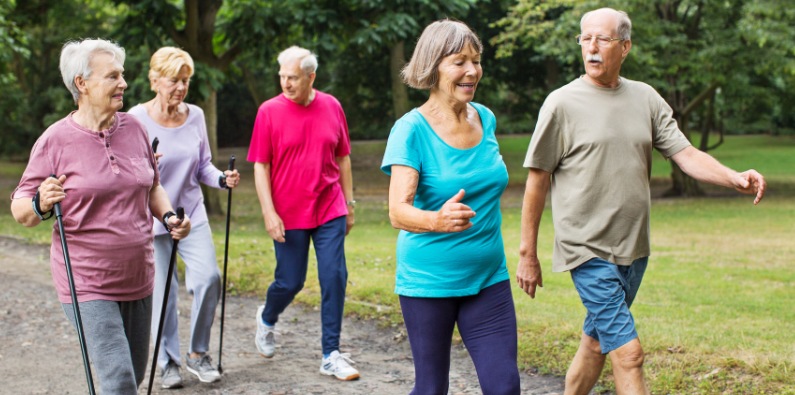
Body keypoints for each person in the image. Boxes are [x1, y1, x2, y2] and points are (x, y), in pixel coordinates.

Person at [517, 8, 767, 395]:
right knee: (629, 353)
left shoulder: (645, 97)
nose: (592, 47)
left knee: (598, 341)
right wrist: (527, 254)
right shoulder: (561, 104)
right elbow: (537, 180)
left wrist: (733, 177)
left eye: (603, 39)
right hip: (586, 250)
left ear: (625, 46)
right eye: (586, 39)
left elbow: (685, 153)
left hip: (634, 250)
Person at [9, 38, 191, 395]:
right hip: (86, 282)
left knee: (133, 375)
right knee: (118, 379)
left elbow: (153, 186)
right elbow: (20, 208)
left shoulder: (135, 128)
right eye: (112, 76)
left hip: (139, 275)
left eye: (122, 75)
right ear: (82, 83)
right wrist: (40, 203)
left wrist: (169, 217)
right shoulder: (55, 141)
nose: (123, 83)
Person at [381, 20, 520, 395]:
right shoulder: (411, 130)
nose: (472, 71)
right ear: (433, 66)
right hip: (429, 283)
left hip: (489, 278)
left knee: (505, 387)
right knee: (430, 389)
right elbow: (397, 211)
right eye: (460, 61)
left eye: (476, 61)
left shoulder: (485, 117)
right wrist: (436, 219)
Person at [128, 46, 240, 389]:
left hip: (191, 214)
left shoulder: (196, 116)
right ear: (155, 80)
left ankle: (197, 353)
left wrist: (221, 178)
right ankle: (168, 362)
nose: (181, 87)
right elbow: (126, 172)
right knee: (163, 295)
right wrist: (145, 165)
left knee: (209, 278)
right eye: (175, 80)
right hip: (153, 220)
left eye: (186, 80)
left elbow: (203, 164)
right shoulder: (135, 119)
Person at [247, 45, 359, 381]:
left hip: (329, 206)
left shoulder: (332, 106)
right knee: (290, 281)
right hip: (288, 212)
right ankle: (267, 318)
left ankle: (331, 353)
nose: (285, 83)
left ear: (311, 77)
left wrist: (349, 205)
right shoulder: (268, 111)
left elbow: (344, 158)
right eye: (281, 76)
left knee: (334, 276)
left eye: (292, 77)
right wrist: (269, 212)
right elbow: (260, 166)